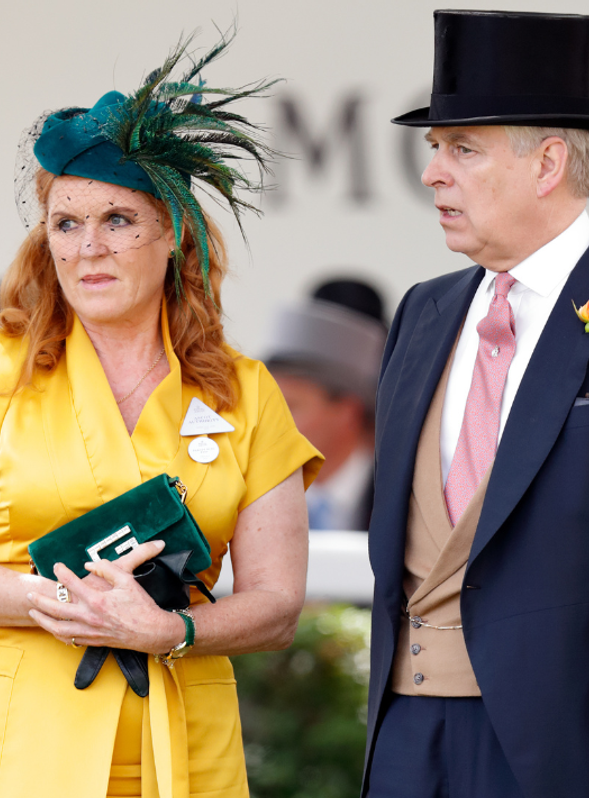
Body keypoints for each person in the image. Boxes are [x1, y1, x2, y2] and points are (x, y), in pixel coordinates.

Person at [0, 36, 323, 798]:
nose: (87, 248)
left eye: (118, 219)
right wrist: (71, 601)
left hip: (185, 747)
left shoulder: (245, 392)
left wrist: (171, 631)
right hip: (23, 745)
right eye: (65, 223)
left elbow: (277, 606)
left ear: (174, 235)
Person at [365, 10, 589, 797]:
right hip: (403, 735)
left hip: (560, 748)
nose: (432, 174)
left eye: (463, 149)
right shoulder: (423, 312)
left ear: (548, 162)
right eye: (434, 150)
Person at [265, 280, 387, 530]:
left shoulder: (401, 502)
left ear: (347, 412)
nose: (267, 422)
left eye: (290, 406)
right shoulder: (250, 493)